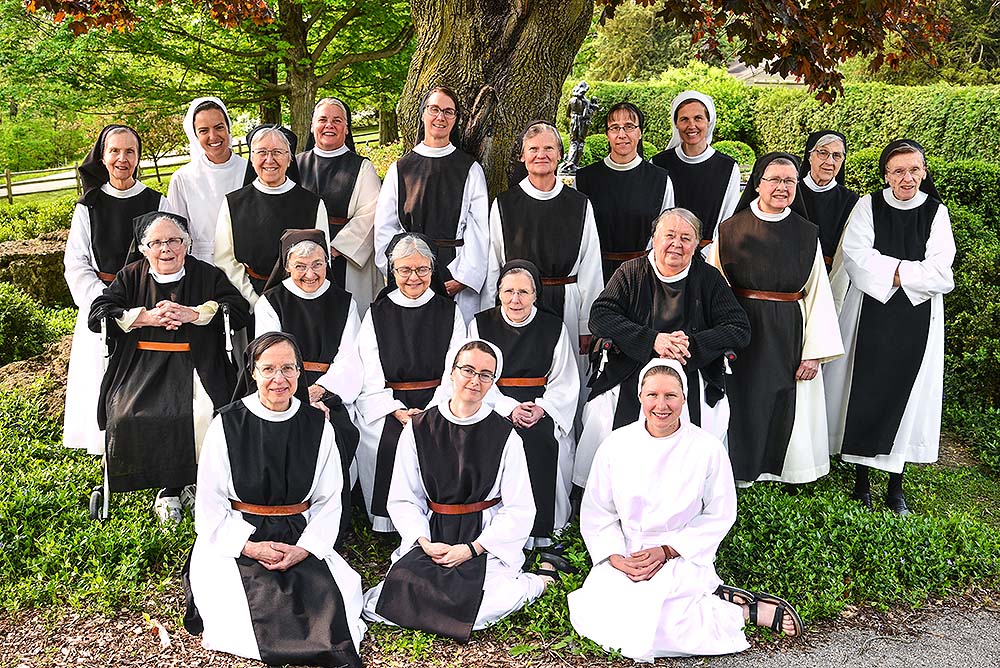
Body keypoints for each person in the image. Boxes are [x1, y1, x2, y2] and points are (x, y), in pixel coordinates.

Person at [569, 359, 803, 661]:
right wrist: (615, 557)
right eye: (653, 395)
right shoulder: (616, 444)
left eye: (671, 396)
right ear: (640, 396)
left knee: (671, 624)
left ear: (684, 396)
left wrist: (668, 550)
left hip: (681, 553)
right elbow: (598, 510)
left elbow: (720, 513)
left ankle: (745, 612)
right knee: (600, 615)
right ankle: (717, 599)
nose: (661, 405)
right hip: (628, 553)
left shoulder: (706, 448)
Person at [362, 340, 568, 642]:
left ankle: (538, 582)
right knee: (385, 604)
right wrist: (424, 541)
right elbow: (405, 497)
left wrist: (472, 549)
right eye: (468, 370)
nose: (475, 380)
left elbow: (519, 508)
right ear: (452, 373)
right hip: (433, 535)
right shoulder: (418, 428)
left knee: (482, 608)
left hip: (482, 539)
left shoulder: (505, 434)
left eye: (486, 375)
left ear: (493, 383)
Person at [185, 332, 365, 667]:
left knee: (335, 600)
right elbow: (210, 504)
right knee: (239, 617)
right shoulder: (227, 423)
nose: (278, 379)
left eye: (288, 368)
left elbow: (329, 499)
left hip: (298, 532)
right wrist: (250, 547)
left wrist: (306, 547)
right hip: (239, 535)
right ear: (252, 372)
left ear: (300, 372)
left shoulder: (317, 425)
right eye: (268, 369)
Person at [88, 212, 250, 522]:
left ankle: (191, 483)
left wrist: (193, 313)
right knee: (131, 414)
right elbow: (98, 314)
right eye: (157, 242)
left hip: (197, 363)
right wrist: (144, 317)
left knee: (203, 413)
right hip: (141, 366)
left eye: (174, 240)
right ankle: (167, 489)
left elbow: (238, 309)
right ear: (143, 248)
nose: (166, 249)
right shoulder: (130, 276)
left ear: (187, 245)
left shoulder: (207, 275)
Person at [574, 208, 750, 490]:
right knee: (603, 413)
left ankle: (690, 491)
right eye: (669, 236)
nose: (676, 244)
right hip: (633, 364)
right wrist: (651, 340)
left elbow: (739, 328)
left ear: (697, 244)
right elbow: (601, 316)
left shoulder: (708, 278)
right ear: (654, 239)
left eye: (686, 238)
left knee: (707, 414)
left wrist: (692, 344)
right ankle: (602, 490)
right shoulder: (631, 272)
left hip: (690, 367)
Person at [825, 140, 955, 514]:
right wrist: (908, 273)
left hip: (918, 316)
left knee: (908, 394)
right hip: (870, 311)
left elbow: (941, 270)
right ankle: (861, 480)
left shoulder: (936, 212)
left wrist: (892, 270)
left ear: (924, 172)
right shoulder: (869, 205)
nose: (906, 178)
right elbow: (856, 256)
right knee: (864, 389)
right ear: (885, 174)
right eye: (897, 171)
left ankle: (895, 485)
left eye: (914, 169)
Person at [708, 153, 843, 485]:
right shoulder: (729, 230)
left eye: (790, 181)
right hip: (742, 330)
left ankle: (787, 471)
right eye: (775, 180)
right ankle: (738, 469)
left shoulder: (807, 233)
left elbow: (818, 294)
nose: (782, 187)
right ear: (758, 183)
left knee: (787, 399)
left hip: (789, 333)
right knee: (742, 400)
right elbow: (712, 288)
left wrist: (813, 352)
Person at [64, 124, 168, 456]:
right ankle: (107, 446)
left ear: (138, 157)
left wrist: (144, 304)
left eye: (129, 151)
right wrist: (105, 303)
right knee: (101, 377)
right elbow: (77, 261)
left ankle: (146, 446)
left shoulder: (157, 201)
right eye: (115, 151)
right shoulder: (89, 206)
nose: (122, 159)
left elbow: (170, 254)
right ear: (103, 156)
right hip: (102, 305)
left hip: (146, 303)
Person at [255, 228, 363, 538]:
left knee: (339, 430)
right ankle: (287, 514)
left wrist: (320, 392)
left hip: (331, 390)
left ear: (327, 262)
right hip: (281, 387)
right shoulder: (271, 302)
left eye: (317, 264)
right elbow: (270, 357)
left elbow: (350, 357)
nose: (310, 273)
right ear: (287, 266)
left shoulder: (344, 302)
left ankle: (332, 520)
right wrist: (299, 395)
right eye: (300, 266)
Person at [354, 234, 466, 533]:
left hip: (439, 399)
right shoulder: (377, 313)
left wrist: (433, 409)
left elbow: (456, 367)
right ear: (393, 271)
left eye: (422, 270)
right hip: (390, 402)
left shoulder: (449, 311)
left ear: (433, 269)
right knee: (382, 438)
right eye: (405, 270)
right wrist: (394, 410)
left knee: (441, 435)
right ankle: (387, 522)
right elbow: (369, 368)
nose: (413, 277)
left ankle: (437, 517)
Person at [470, 261, 579, 547]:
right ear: (498, 293)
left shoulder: (553, 327)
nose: (515, 300)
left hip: (540, 406)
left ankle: (543, 531)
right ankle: (499, 528)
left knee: (545, 441)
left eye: (523, 292)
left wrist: (543, 408)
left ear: (535, 295)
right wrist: (508, 408)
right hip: (494, 404)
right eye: (508, 291)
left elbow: (564, 380)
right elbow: (474, 377)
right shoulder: (480, 324)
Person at [482, 120, 602, 376]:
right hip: (516, 305)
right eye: (534, 149)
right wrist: (490, 318)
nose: (541, 155)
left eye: (549, 148)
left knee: (567, 378)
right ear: (523, 156)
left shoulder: (579, 204)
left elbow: (591, 267)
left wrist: (587, 325)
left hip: (565, 303)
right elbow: (493, 265)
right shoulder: (505, 204)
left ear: (559, 154)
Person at [373, 86, 489, 323]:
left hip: (455, 274)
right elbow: (385, 227)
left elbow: (479, 230)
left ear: (456, 119)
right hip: (411, 277)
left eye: (448, 112)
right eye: (434, 109)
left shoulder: (470, 169)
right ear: (423, 114)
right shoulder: (400, 168)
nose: (440, 117)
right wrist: (402, 275)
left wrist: (463, 278)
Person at [215, 125, 329, 308]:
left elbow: (322, 258)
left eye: (277, 152)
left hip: (302, 299)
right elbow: (225, 260)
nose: (269, 159)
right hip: (252, 298)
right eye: (262, 152)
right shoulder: (233, 203)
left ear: (290, 158)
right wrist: (254, 300)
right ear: (252, 158)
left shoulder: (313, 204)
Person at [297, 97, 383, 309]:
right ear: (312, 126)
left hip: (346, 258)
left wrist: (332, 249)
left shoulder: (362, 167)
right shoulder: (296, 165)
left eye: (337, 120)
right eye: (323, 119)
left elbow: (371, 213)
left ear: (346, 129)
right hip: (302, 258)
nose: (329, 125)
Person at [575, 101, 673, 282]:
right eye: (614, 128)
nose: (622, 135)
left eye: (629, 127)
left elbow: (665, 232)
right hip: (596, 273)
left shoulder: (659, 180)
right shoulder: (584, 179)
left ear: (640, 132)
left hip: (644, 274)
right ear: (607, 134)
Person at [650, 91, 741, 249]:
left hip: (711, 256)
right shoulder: (658, 164)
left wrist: (708, 254)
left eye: (698, 118)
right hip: (667, 254)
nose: (691, 126)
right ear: (676, 124)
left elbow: (729, 219)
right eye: (684, 119)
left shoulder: (728, 168)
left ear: (708, 122)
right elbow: (653, 216)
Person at [167, 97, 248, 262]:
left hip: (245, 262)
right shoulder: (183, 178)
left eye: (219, 127)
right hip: (203, 264)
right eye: (204, 130)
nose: (213, 136)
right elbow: (174, 234)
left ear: (228, 128)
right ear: (195, 135)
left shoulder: (250, 170)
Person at [798, 130, 859, 270]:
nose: (829, 161)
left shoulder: (851, 201)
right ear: (809, 156)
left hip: (832, 276)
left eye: (837, 156)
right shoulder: (791, 192)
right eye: (823, 153)